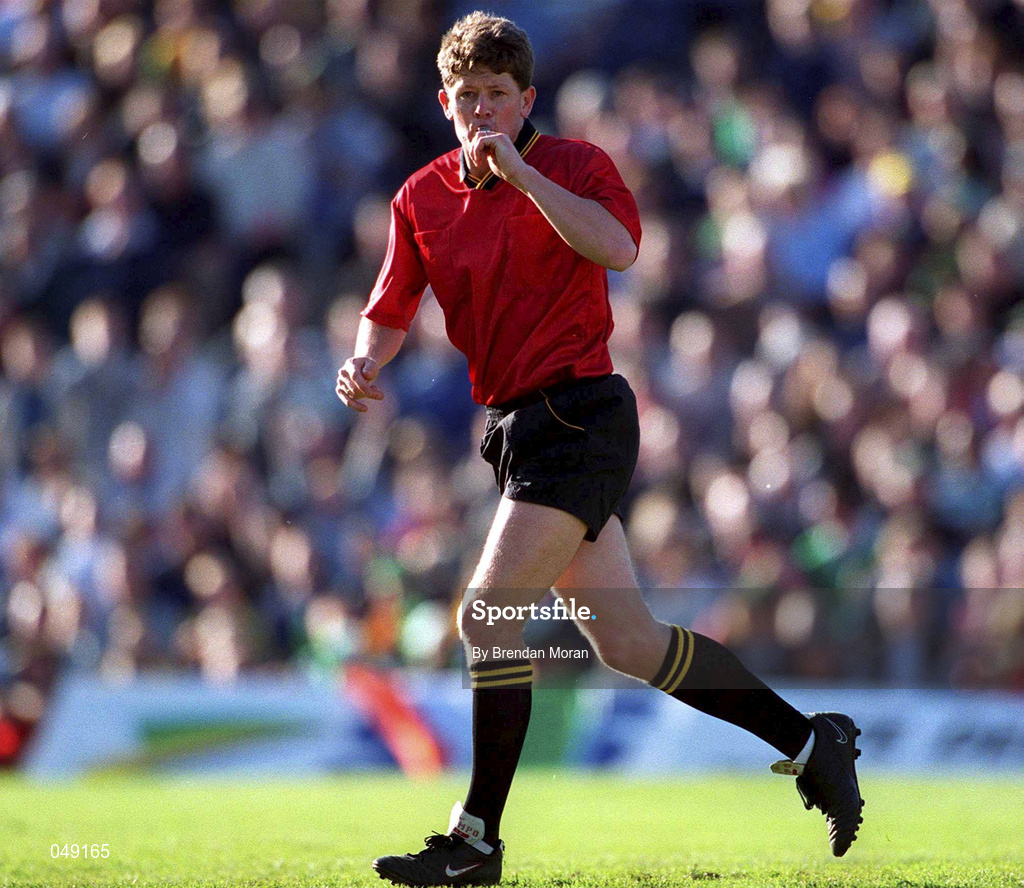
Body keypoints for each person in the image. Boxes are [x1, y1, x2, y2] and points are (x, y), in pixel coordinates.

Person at [336, 12, 864, 886]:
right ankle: (815, 742)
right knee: (629, 641)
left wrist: (522, 172)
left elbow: (618, 247)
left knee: (487, 618)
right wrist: (362, 358)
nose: (481, 113)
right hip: (514, 430)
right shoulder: (421, 196)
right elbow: (389, 309)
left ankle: (476, 841)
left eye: (498, 97)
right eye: (466, 99)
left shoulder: (576, 166)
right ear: (443, 103)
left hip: (582, 414)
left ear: (526, 99)